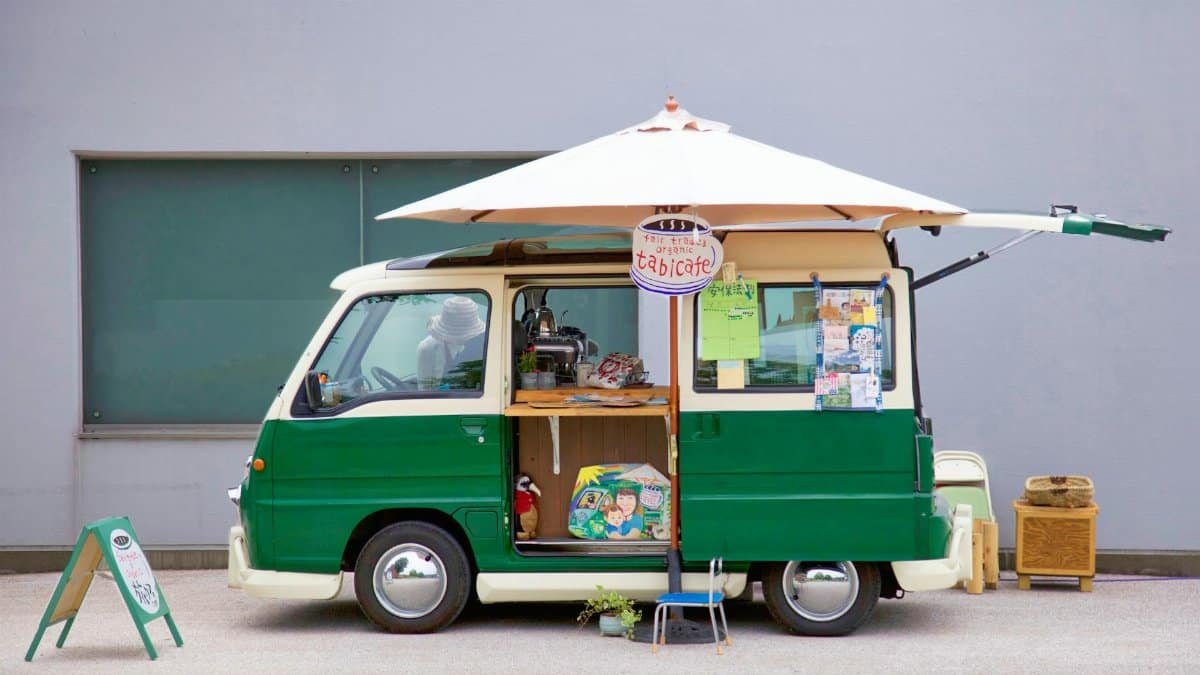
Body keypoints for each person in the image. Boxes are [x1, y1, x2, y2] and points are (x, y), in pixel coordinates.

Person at [416, 296, 486, 390]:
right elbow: (424, 390)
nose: (460, 339)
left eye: (464, 335)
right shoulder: (427, 348)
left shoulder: (483, 345)